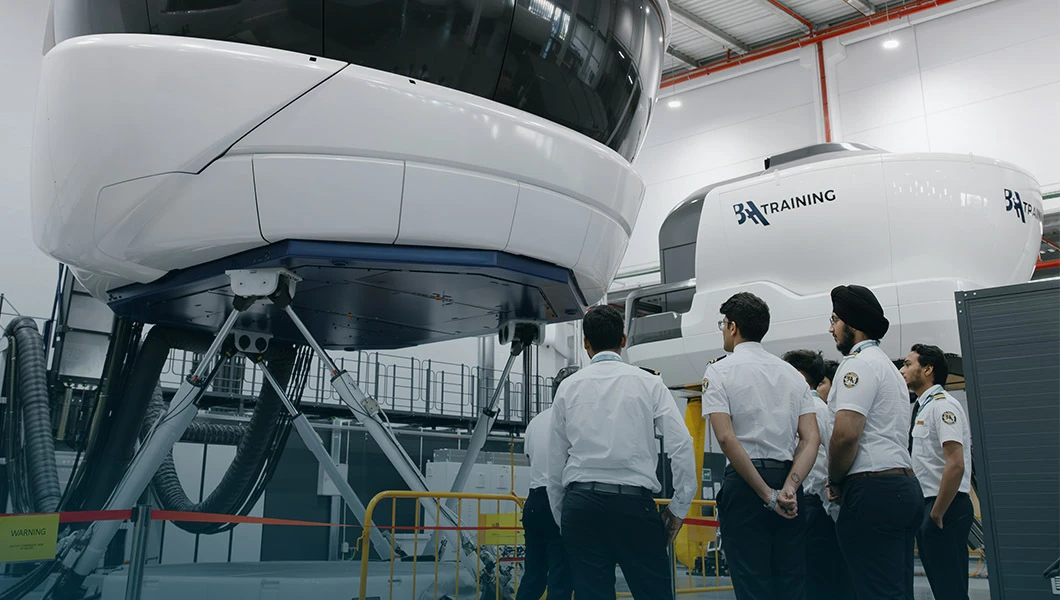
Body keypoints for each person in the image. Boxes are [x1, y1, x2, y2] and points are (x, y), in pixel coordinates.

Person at [546, 305, 697, 600]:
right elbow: (681, 444)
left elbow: (555, 461)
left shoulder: (568, 388)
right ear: (623, 339)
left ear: (585, 343)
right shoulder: (649, 383)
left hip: (582, 505)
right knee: (654, 593)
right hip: (633, 505)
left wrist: (563, 514)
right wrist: (679, 506)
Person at [701, 293, 819, 600]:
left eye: (723, 324)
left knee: (752, 583)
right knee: (791, 581)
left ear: (733, 327)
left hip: (745, 484)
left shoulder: (719, 371)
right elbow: (810, 438)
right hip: (788, 482)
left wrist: (766, 494)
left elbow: (726, 438)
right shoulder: (792, 374)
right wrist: (789, 488)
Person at [826, 284, 924, 600]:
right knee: (896, 591)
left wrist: (834, 480)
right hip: (903, 488)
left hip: (872, 490)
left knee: (874, 592)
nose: (831, 329)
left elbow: (846, 435)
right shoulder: (890, 369)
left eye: (835, 320)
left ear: (852, 324)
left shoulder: (857, 364)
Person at [901, 344, 974, 600]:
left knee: (950, 590)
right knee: (944, 589)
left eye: (908, 364)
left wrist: (937, 513)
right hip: (932, 505)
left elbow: (956, 463)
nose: (902, 371)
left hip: (946, 506)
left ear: (928, 369)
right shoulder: (924, 406)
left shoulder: (943, 407)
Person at [782, 349, 855, 599]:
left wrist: (831, 507)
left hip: (818, 507)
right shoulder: (800, 409)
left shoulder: (816, 409)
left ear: (800, 375)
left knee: (820, 579)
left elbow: (832, 456)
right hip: (805, 505)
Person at [517, 369, 578, 600]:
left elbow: (530, 459)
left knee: (533, 575)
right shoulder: (573, 419)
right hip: (560, 500)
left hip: (534, 501)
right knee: (560, 578)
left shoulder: (535, 421)